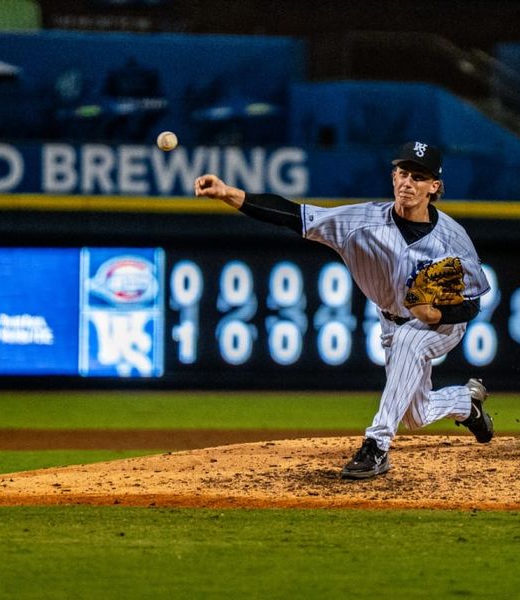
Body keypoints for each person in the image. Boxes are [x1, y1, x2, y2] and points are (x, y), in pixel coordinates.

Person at [195, 141, 494, 479]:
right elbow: (294, 216)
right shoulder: (359, 221)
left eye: (419, 177)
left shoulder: (453, 238)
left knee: (413, 338)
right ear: (393, 176)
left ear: (434, 187)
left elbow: (474, 301)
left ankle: (377, 447)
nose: (408, 182)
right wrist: (227, 193)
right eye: (403, 173)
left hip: (443, 325)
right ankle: (465, 403)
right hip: (392, 322)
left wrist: (438, 316)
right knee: (415, 414)